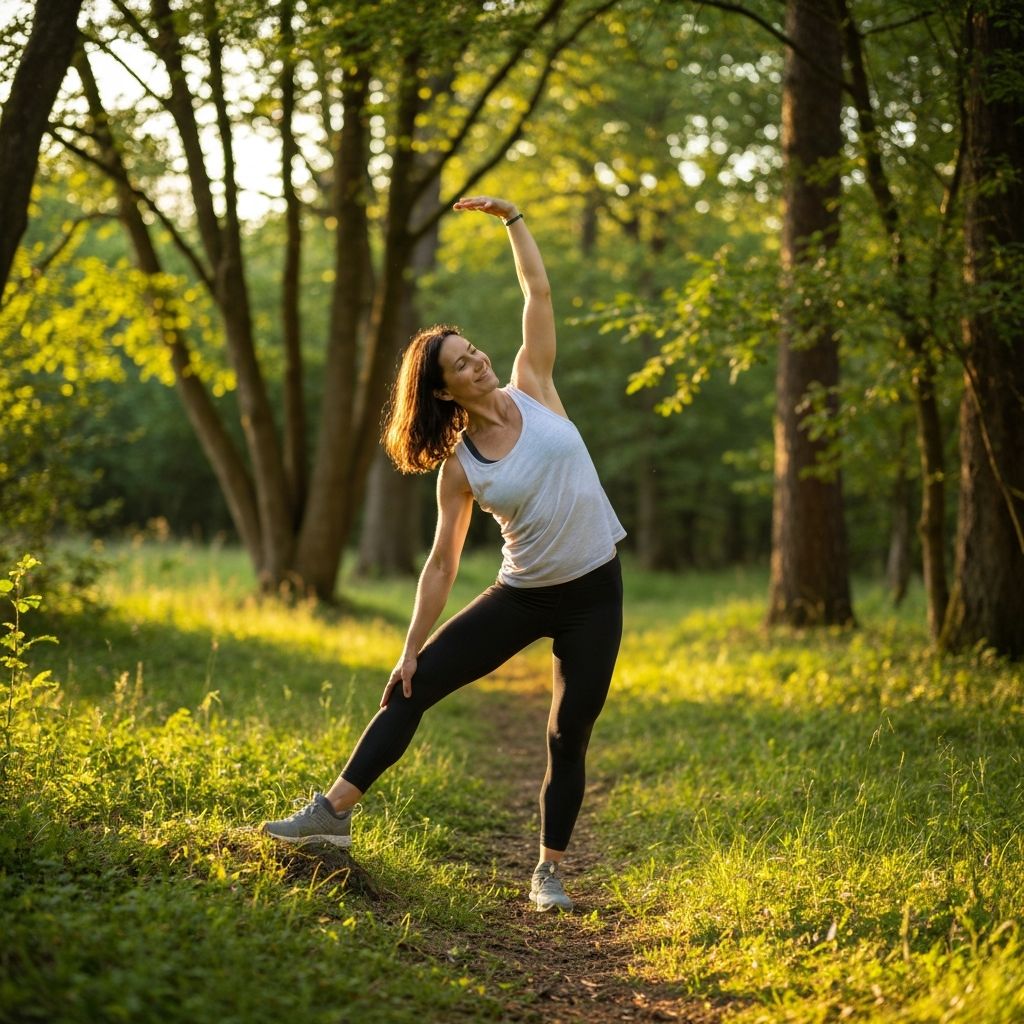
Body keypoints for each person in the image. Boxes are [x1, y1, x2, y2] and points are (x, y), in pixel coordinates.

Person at [263, 195, 626, 913]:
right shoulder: (460, 467)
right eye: (463, 362)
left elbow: (538, 291)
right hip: (523, 595)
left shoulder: (537, 385)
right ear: (443, 387)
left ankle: (548, 871)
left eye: (475, 349)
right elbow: (441, 565)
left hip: (595, 591)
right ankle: (329, 815)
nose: (479, 360)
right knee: (413, 687)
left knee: (567, 731)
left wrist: (515, 220)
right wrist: (409, 649)